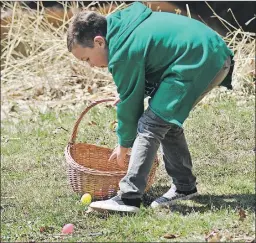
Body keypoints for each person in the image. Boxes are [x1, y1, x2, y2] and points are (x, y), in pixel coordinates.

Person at [67, 2, 234, 213]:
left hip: (200, 60)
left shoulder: (121, 50)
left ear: (99, 42)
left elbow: (130, 105)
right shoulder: (123, 29)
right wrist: (131, 94)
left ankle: (128, 197)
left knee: (150, 124)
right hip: (211, 54)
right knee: (165, 121)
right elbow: (153, 60)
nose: (90, 65)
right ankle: (184, 187)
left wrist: (124, 143)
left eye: (87, 58)